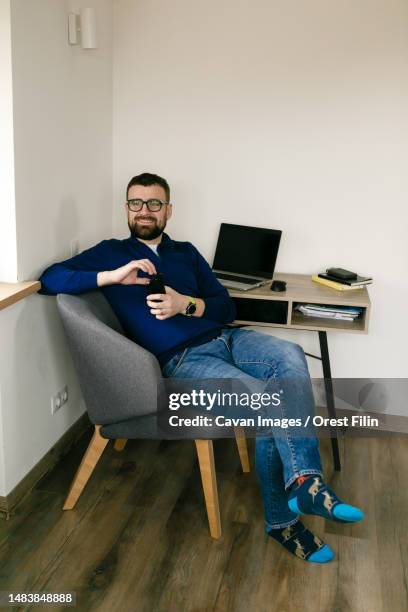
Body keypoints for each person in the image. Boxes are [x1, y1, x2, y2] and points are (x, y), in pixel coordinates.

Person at [39, 172, 364, 563]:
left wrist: (186, 305)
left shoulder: (186, 252)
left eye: (154, 204)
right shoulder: (109, 252)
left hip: (229, 339)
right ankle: (286, 520)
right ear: (126, 208)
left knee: (291, 356)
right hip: (182, 359)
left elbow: (226, 306)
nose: (144, 211)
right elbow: (50, 279)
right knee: (268, 404)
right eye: (136, 203)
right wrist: (112, 277)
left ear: (168, 210)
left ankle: (304, 484)